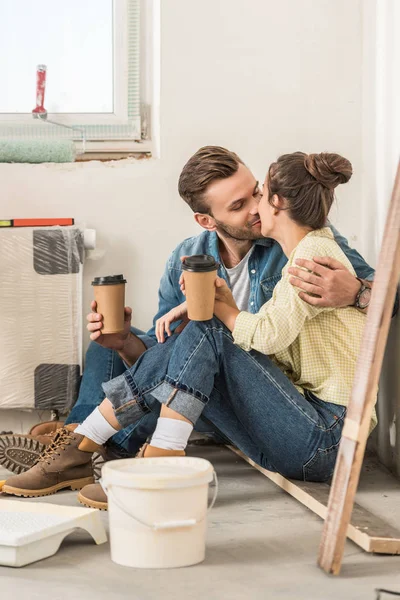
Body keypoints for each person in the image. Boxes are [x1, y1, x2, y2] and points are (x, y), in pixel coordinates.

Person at [2, 151, 379, 510]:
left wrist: (357, 292)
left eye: (256, 194)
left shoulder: (308, 248)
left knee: (207, 329)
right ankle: (88, 442)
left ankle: (95, 443)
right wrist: (125, 343)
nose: (252, 209)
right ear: (206, 220)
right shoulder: (189, 255)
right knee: (115, 342)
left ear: (275, 202)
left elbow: (270, 336)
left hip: (302, 420)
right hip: (230, 396)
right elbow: (167, 352)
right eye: (237, 205)